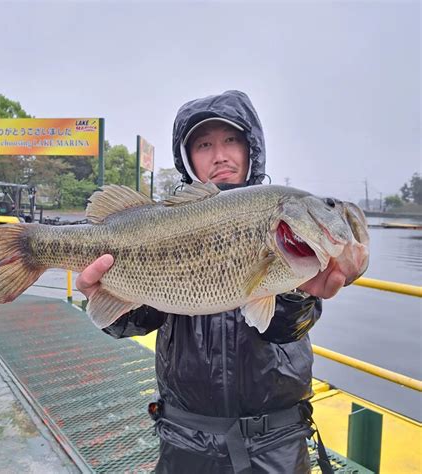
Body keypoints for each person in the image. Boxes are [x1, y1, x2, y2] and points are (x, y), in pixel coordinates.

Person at [76, 90, 345, 473]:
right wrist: (104, 297)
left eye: (231, 140)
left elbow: (288, 328)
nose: (220, 155)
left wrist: (299, 290)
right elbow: (138, 320)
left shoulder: (289, 222)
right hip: (186, 436)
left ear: (251, 146)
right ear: (188, 158)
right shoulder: (163, 223)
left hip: (278, 440)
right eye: (204, 144)